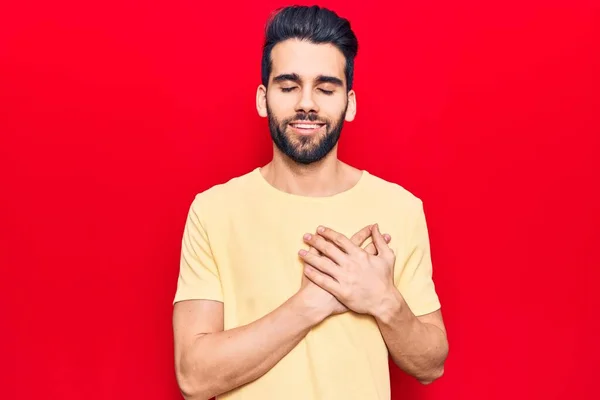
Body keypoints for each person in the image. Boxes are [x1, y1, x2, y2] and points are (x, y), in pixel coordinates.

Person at [172, 5, 449, 400]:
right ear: (262, 98)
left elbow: (431, 364)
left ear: (349, 103)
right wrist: (310, 305)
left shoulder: (399, 208)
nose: (307, 104)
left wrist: (383, 300)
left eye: (325, 87)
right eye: (288, 86)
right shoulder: (213, 211)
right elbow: (192, 378)